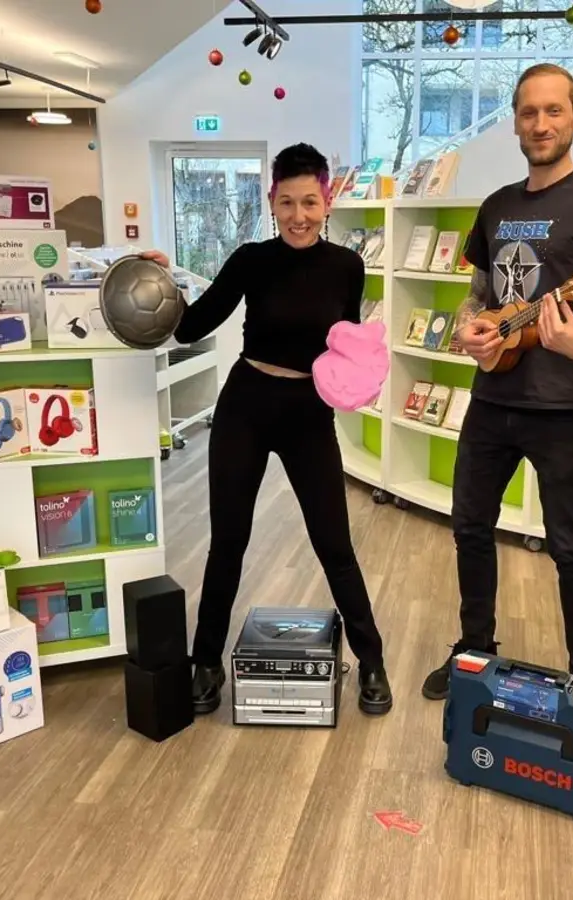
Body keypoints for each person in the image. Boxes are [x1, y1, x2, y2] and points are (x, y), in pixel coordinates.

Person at [418, 63, 573, 747]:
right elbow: (479, 297)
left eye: (552, 111)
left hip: (563, 407)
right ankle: (473, 650)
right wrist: (469, 329)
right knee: (469, 528)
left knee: (571, 547)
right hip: (492, 397)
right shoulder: (494, 206)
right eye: (526, 112)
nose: (539, 124)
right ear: (514, 121)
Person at [148, 142, 392, 718]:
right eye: (288, 202)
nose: (300, 215)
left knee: (334, 543)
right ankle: (205, 659)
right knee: (228, 541)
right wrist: (159, 279)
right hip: (248, 404)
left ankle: (373, 659)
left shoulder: (347, 266)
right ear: (272, 201)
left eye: (310, 201)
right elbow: (190, 327)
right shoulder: (250, 259)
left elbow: (345, 341)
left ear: (328, 201)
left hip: (309, 412)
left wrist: (361, 375)